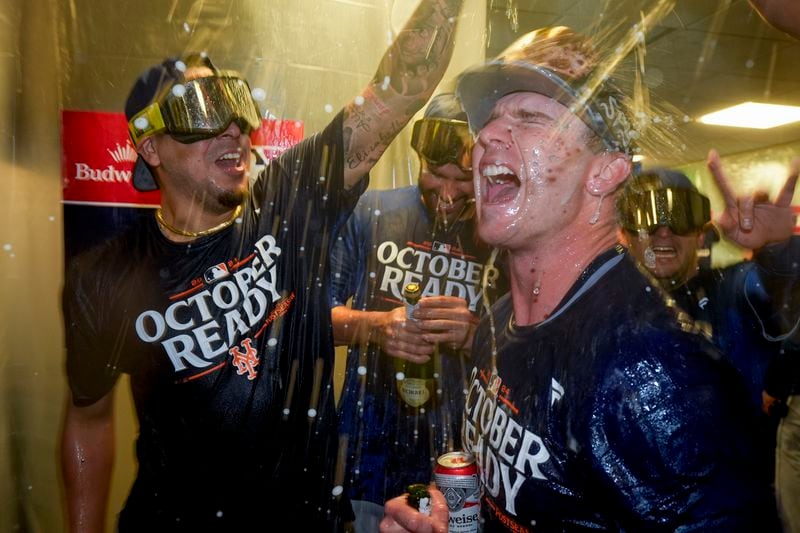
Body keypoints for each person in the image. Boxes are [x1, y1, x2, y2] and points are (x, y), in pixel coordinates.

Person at [60, 2, 464, 531]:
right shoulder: (106, 276)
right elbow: (88, 417)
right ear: (150, 146)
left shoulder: (286, 206)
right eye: (201, 109)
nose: (232, 127)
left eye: (236, 105)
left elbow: (399, 92)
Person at [381, 25, 777, 532]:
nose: (485, 137)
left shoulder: (656, 372)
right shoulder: (500, 321)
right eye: (490, 119)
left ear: (605, 172)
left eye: (528, 118)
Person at [330, 91, 505, 532]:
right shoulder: (371, 212)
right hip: (367, 455)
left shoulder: (501, 238)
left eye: (461, 180)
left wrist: (475, 335)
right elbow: (313, 315)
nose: (446, 193)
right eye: (434, 173)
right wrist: (374, 327)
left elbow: (532, 349)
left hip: (462, 461)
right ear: (418, 160)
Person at [616, 164, 800, 487]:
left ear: (700, 232)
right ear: (624, 234)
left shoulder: (733, 291)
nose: (663, 231)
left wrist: (778, 252)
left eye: (681, 216)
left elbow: (786, 302)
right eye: (647, 216)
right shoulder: (607, 313)